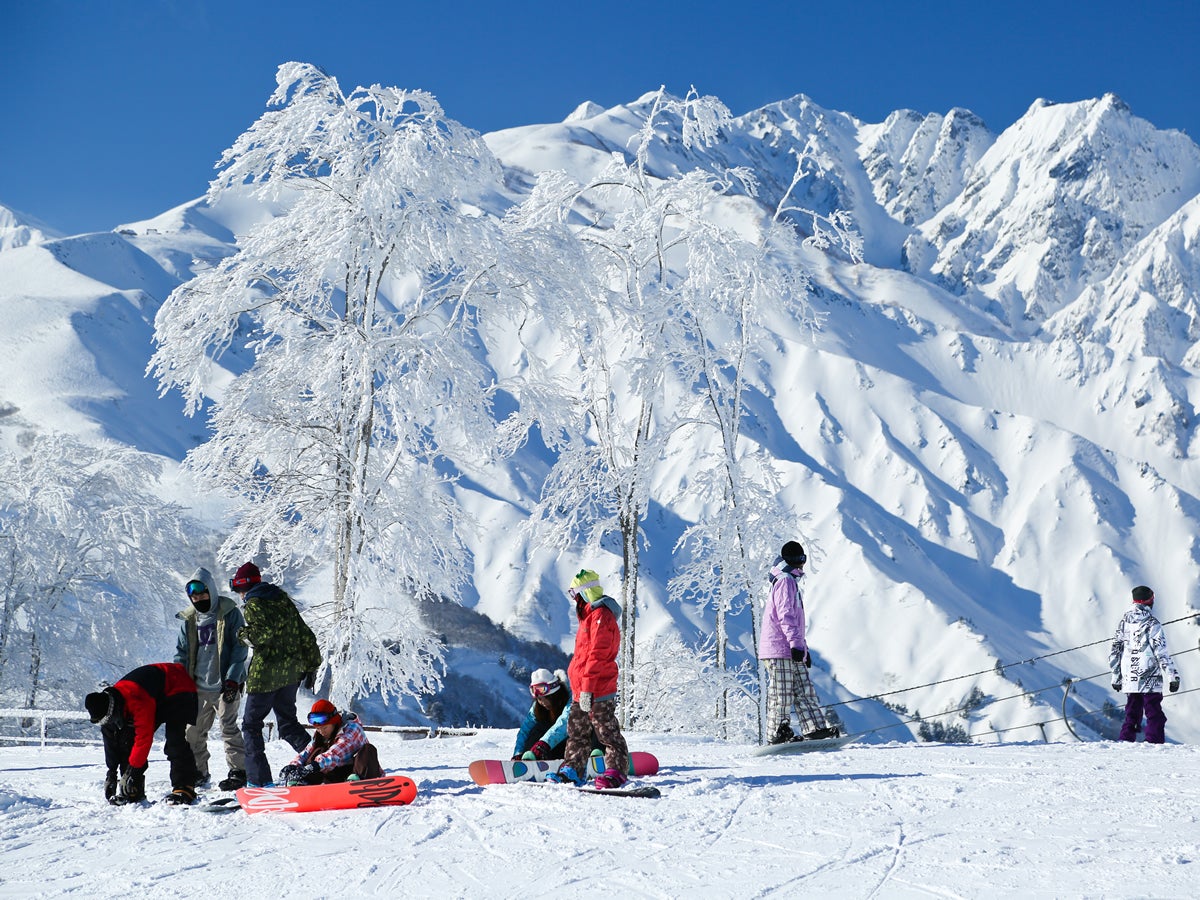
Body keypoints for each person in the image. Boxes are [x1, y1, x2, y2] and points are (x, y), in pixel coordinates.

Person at [232, 562, 323, 787]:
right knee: (288, 723)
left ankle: (259, 781)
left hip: (265, 676)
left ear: (243, 588)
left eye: (238, 590)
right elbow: (305, 633)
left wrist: (242, 634)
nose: (240, 595)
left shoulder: (253, 604)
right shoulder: (282, 600)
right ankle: (322, 763)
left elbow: (260, 635)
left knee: (251, 725)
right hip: (291, 673)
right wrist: (312, 664)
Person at [548, 570, 631, 789]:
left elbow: (598, 655)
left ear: (585, 592)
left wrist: (588, 688)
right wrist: (580, 688)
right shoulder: (589, 616)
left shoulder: (601, 616)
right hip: (581, 689)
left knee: (606, 730)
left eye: (574, 593)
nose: (573, 599)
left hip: (598, 688)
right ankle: (573, 769)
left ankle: (616, 771)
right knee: (577, 731)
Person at [173, 567, 249, 791]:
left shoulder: (229, 613)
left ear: (211, 591)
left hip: (226, 685)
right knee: (193, 732)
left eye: (202, 593)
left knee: (228, 727)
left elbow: (239, 649)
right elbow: (181, 653)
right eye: (194, 596)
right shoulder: (190, 620)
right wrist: (180, 681)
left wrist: (233, 679)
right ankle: (198, 772)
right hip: (197, 687)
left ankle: (238, 771)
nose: (198, 598)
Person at [84, 662, 200, 805]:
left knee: (174, 741)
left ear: (112, 711)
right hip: (156, 693)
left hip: (179, 687)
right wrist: (111, 773)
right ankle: (133, 791)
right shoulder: (107, 706)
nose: (108, 723)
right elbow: (111, 741)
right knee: (126, 739)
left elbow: (143, 739)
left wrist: (133, 772)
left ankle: (184, 787)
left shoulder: (137, 700)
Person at [759, 541, 839, 745]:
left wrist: (803, 649)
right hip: (779, 648)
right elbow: (785, 615)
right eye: (801, 560)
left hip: (791, 647)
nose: (803, 564)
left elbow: (796, 619)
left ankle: (814, 728)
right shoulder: (785, 581)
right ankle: (777, 733)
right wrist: (795, 644)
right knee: (782, 692)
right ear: (793, 561)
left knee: (804, 688)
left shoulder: (789, 580)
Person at [1110, 585, 1181, 744]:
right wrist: (1172, 676)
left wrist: (1116, 676)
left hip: (1130, 675)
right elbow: (1160, 652)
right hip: (1149, 677)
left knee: (1132, 713)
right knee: (1154, 712)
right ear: (1150, 600)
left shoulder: (1124, 622)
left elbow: (1115, 649)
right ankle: (1154, 743)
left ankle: (1125, 741)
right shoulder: (1152, 623)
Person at [277, 699, 384, 785]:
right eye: (318, 729)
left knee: (368, 750)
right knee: (318, 750)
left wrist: (312, 767)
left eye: (324, 728)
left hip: (361, 772)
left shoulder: (352, 728)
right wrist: (294, 766)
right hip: (338, 775)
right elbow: (307, 752)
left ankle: (356, 782)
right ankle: (303, 784)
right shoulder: (322, 734)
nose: (321, 731)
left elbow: (335, 754)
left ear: (334, 722)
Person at [512, 668, 572, 761]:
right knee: (536, 728)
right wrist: (518, 752)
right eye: (539, 699)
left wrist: (544, 743)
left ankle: (595, 754)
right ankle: (528, 759)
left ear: (555, 695)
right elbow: (525, 730)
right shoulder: (538, 707)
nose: (543, 703)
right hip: (551, 749)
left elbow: (565, 722)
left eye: (546, 698)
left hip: (571, 746)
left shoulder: (571, 699)